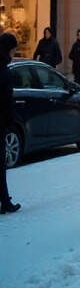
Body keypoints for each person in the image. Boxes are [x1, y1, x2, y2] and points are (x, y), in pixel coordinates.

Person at [0, 32, 21, 214]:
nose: (15, 52)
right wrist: (10, 121)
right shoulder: (5, 72)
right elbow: (7, 101)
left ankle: (5, 200)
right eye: (13, 49)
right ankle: (5, 202)